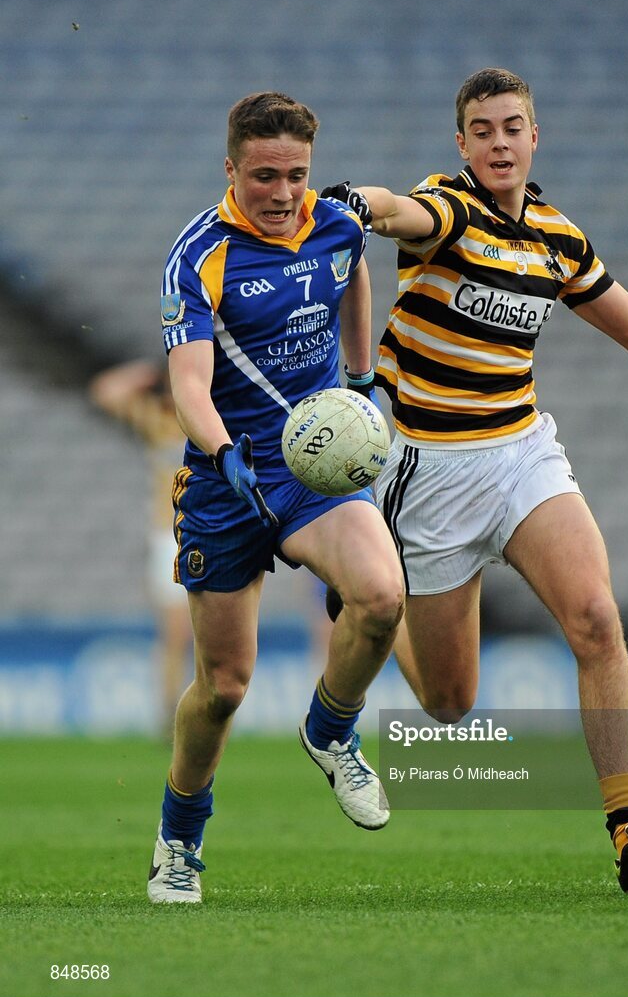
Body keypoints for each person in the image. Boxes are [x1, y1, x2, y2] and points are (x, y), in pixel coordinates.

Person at [322, 67, 628, 894]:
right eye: (480, 130)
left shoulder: (557, 236)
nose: (497, 142)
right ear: (461, 144)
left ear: (533, 135)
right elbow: (396, 209)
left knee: (595, 618)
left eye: (510, 126)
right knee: (449, 704)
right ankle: (368, 604)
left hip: (521, 456)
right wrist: (356, 202)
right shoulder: (448, 207)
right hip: (430, 474)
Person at [147, 91, 405, 905]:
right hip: (228, 479)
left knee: (381, 596)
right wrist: (223, 453)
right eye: (264, 176)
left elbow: (354, 269)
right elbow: (186, 383)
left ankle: (329, 730)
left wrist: (360, 377)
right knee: (223, 686)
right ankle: (178, 840)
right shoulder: (198, 256)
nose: (283, 193)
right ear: (231, 169)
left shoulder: (334, 222)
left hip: (314, 471)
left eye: (296, 175)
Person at [89, 359, 192, 734]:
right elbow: (104, 391)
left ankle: (202, 714)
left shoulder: (209, 418)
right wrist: (145, 371)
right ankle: (169, 715)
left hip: (208, 532)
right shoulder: (156, 418)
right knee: (176, 633)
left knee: (209, 634)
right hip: (168, 536)